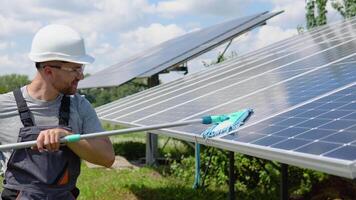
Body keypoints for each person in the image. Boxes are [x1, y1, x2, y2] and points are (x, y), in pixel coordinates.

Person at [0, 24, 115, 199]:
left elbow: (107, 158)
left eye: (81, 68)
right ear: (48, 71)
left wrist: (67, 137)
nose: (81, 76)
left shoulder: (79, 106)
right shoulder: (3, 107)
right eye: (75, 69)